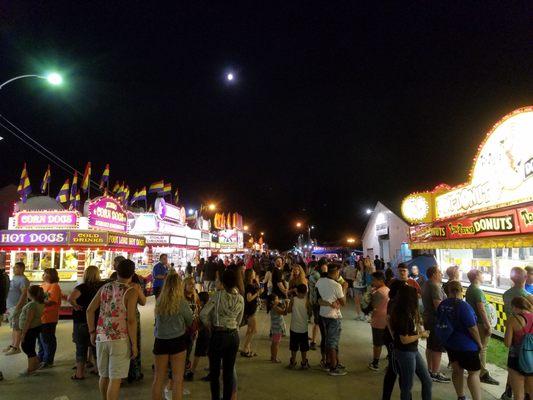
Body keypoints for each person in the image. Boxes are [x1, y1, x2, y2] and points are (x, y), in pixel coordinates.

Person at [87, 259, 139, 400]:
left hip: (101, 337)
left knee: (103, 375)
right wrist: (134, 344)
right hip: (120, 339)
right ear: (132, 273)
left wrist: (92, 332)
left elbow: (89, 310)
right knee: (115, 379)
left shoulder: (105, 287)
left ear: (117, 271)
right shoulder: (131, 292)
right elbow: (131, 320)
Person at [200, 268, 244, 400]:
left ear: (223, 282)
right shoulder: (240, 299)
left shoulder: (217, 296)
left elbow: (203, 314)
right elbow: (239, 320)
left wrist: (209, 324)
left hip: (219, 336)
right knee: (228, 373)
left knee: (215, 373)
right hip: (234, 337)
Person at [437, 280, 483, 400]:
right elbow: (473, 328)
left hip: (450, 343)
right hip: (467, 346)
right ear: (461, 290)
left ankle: (461, 396)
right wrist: (479, 343)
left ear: (448, 291)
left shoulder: (443, 304)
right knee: (474, 373)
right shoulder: (464, 306)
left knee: (457, 370)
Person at [152, 273, 193, 400]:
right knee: (177, 379)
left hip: (160, 341)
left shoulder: (159, 301)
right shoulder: (181, 302)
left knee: (158, 378)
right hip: (178, 341)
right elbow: (189, 320)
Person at [390, 284, 432, 400]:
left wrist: (419, 328)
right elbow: (404, 339)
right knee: (407, 386)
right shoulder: (402, 315)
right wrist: (420, 335)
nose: (418, 296)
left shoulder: (409, 312)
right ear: (409, 298)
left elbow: (389, 321)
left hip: (413, 351)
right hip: (405, 352)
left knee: (427, 380)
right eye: (416, 294)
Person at [501, 266, 533, 399]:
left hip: (514, 338)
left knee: (515, 372)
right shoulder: (528, 297)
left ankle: (509, 389)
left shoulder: (506, 294)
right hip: (529, 346)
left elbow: (507, 343)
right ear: (525, 278)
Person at [68, 265, 103, 380]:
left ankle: (79, 373)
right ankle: (98, 369)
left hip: (81, 320)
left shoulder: (81, 287)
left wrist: (76, 306)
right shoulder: (102, 287)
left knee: (81, 346)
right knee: (96, 346)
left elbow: (70, 298)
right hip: (98, 319)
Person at [465, 269, 500, 385]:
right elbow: (481, 309)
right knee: (482, 348)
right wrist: (488, 325)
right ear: (476, 277)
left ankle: (476, 369)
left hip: (476, 322)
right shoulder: (477, 291)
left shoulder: (471, 289)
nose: (483, 276)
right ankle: (482, 373)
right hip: (481, 323)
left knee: (477, 347)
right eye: (481, 274)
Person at [316, 263, 347, 376]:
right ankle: (333, 367)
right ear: (337, 271)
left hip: (322, 314)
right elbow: (344, 303)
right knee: (333, 342)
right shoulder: (336, 285)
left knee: (328, 339)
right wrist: (345, 288)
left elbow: (317, 298)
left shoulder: (320, 281)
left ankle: (329, 362)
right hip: (333, 316)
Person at [421, 266, 450, 383]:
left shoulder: (426, 284)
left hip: (428, 318)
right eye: (439, 272)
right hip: (436, 321)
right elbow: (439, 305)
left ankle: (429, 369)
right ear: (434, 274)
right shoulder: (434, 286)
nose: (441, 274)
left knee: (430, 345)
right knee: (437, 347)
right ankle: (435, 372)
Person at [4, 261, 30, 356]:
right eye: (14, 268)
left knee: (17, 327)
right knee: (14, 327)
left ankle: (16, 347)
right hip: (11, 306)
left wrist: (18, 306)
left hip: (17, 306)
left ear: (21, 269)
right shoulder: (15, 277)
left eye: (16, 268)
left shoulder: (23, 279)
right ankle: (12, 345)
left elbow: (24, 294)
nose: (13, 269)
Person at [19, 285, 45, 376]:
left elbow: (28, 320)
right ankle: (36, 364)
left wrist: (23, 333)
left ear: (30, 294)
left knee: (27, 348)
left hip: (30, 329)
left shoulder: (32, 305)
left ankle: (31, 369)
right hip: (36, 327)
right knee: (30, 347)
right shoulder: (40, 303)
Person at [38, 268, 61, 369]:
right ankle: (41, 357)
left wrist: (37, 301)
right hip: (40, 317)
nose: (43, 275)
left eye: (45, 274)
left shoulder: (54, 286)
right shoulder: (42, 285)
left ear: (50, 275)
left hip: (49, 317)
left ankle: (48, 360)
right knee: (40, 339)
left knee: (48, 339)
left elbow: (52, 301)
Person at [368, 271, 389, 371]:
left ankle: (375, 362)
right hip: (387, 319)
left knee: (377, 342)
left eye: (374, 280)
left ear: (380, 280)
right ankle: (390, 358)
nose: (372, 282)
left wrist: (370, 296)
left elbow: (373, 305)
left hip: (378, 319)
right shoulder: (388, 289)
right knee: (388, 341)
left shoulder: (378, 292)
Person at [189, 292, 211, 381]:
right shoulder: (208, 308)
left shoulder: (203, 311)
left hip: (204, 334)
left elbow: (201, 323)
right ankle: (211, 368)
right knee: (210, 352)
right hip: (210, 334)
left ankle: (192, 371)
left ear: (201, 301)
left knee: (198, 353)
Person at [287, 284, 310, 369]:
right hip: (303, 328)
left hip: (294, 327)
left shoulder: (293, 300)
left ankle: (293, 361)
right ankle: (304, 362)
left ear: (297, 291)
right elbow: (309, 313)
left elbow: (289, 310)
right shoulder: (307, 301)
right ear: (305, 292)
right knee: (304, 347)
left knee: (293, 346)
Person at [241, 269, 263, 357]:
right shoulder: (249, 286)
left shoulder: (250, 284)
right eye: (254, 273)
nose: (255, 274)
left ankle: (248, 350)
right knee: (254, 330)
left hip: (250, 309)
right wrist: (257, 293)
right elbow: (249, 298)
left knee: (249, 330)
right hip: (250, 311)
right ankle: (245, 348)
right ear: (250, 275)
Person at [267, 293, 287, 363]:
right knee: (276, 343)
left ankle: (272, 356)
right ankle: (274, 358)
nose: (278, 300)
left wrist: (283, 306)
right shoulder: (275, 307)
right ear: (272, 301)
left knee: (274, 343)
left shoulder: (273, 306)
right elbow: (284, 313)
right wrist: (287, 304)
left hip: (275, 327)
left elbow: (282, 310)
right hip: (277, 328)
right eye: (277, 299)